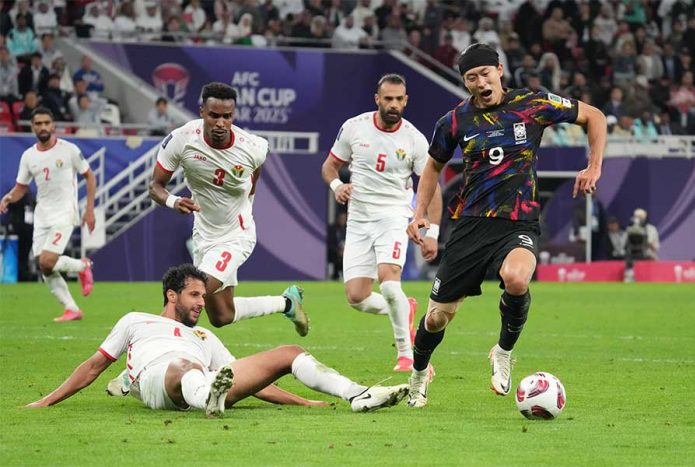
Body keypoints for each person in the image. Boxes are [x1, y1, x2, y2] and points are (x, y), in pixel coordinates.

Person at [405, 43, 605, 407]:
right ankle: (418, 376)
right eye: (471, 77)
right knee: (436, 320)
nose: (481, 83)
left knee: (516, 279)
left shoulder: (533, 103)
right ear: (465, 82)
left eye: (485, 74)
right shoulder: (454, 121)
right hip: (470, 227)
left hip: (518, 222)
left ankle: (503, 351)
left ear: (499, 70)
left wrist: (594, 166)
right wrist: (420, 213)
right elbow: (433, 166)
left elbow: (595, 116)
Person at [27, 264, 409, 416]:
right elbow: (94, 366)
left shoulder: (204, 335)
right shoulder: (136, 321)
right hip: (159, 380)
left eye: (203, 295)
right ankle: (207, 396)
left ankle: (357, 394)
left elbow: (248, 380)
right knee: (185, 366)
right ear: (172, 295)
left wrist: (303, 401)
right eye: (194, 295)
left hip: (205, 380)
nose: (202, 302)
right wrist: (46, 400)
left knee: (289, 352)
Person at [149, 82, 308, 335]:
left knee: (190, 294)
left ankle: (147, 346)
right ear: (202, 112)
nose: (221, 123)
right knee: (222, 315)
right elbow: (155, 186)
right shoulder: (182, 140)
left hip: (236, 236)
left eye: (227, 116)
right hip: (204, 235)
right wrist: (174, 201)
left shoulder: (252, 148)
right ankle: (288, 303)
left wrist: (246, 205)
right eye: (214, 116)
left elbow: (254, 177)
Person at [320, 74, 442, 372]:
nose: (393, 104)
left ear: (406, 101)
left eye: (399, 99)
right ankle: (405, 307)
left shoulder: (414, 139)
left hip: (395, 215)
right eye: (388, 99)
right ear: (377, 99)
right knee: (357, 297)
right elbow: (330, 166)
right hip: (359, 220)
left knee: (389, 282)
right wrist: (337, 186)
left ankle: (407, 355)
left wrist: (433, 231)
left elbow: (431, 186)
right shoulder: (354, 127)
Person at [0, 107, 96, 322]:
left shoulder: (69, 150)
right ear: (32, 126)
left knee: (48, 260)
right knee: (43, 264)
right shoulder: (28, 156)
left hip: (64, 213)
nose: (42, 127)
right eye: (38, 123)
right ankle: (72, 309)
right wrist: (8, 197)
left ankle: (83, 266)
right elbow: (21, 187)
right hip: (42, 215)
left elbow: (90, 177)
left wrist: (89, 209)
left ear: (53, 126)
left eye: (46, 123)